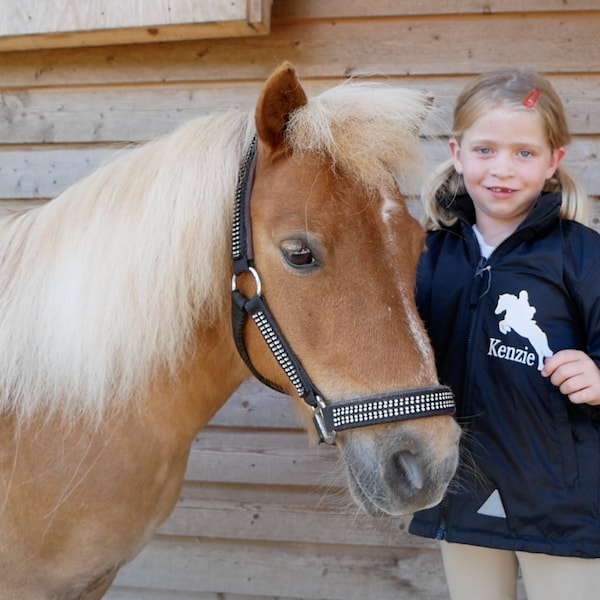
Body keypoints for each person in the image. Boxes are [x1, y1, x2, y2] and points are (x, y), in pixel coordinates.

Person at [408, 67, 600, 600]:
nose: (502, 169)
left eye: (524, 153)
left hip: (562, 506)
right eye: (485, 149)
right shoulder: (424, 257)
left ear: (554, 161)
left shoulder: (584, 257)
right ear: (457, 151)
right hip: (462, 489)